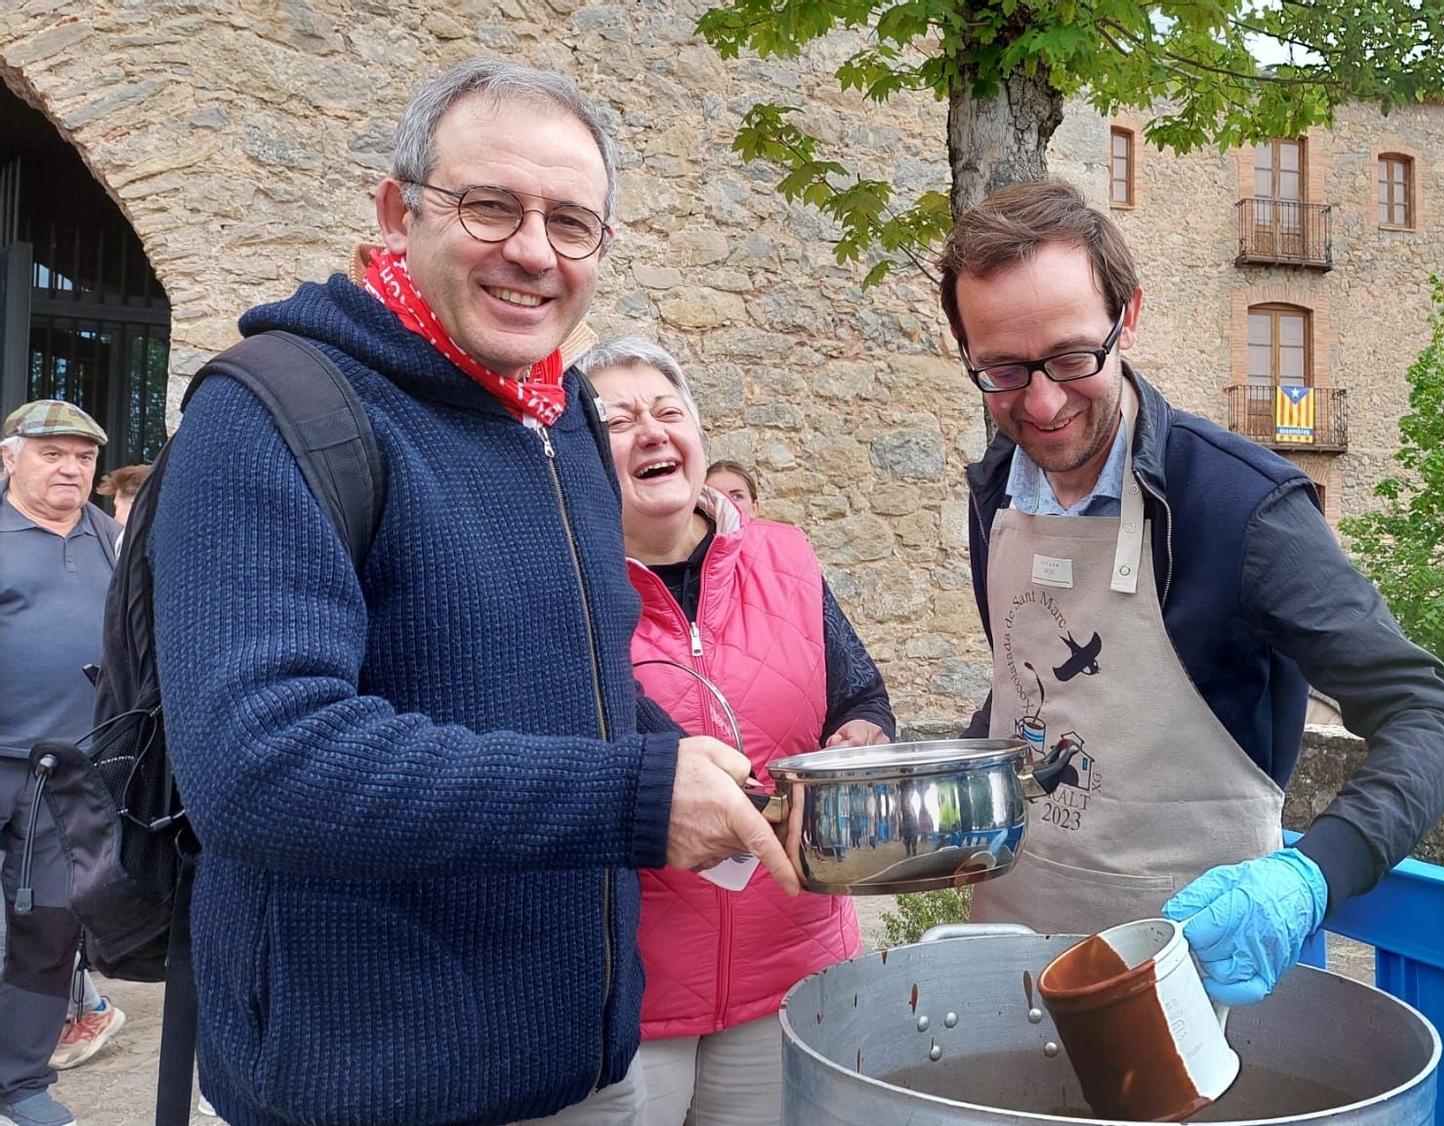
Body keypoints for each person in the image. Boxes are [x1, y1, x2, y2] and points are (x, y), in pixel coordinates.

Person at [146, 61, 793, 1126]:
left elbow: (558, 690)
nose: (534, 251)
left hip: (581, 1074)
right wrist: (631, 798)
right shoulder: (272, 409)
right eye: (491, 206)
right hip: (356, 1089)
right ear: (397, 211)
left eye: (571, 224)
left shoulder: (564, 419)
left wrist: (682, 764)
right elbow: (260, 762)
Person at [942, 180, 1444, 1006]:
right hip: (1012, 964)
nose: (1042, 402)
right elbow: (1036, 685)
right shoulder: (995, 496)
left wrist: (1311, 877)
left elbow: (1433, 719)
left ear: (1130, 317)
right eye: (1005, 370)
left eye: (1071, 358)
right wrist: (948, 785)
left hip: (1201, 986)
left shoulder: (1243, 507)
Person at [580, 337, 896, 1125]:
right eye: (618, 420)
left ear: (697, 435)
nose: (651, 431)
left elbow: (857, 690)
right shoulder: (558, 585)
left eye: (668, 411)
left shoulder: (785, 557)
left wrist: (860, 736)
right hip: (626, 991)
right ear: (577, 451)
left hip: (791, 965)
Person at [0, 401, 126, 1126]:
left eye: (82, 458)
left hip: (70, 774)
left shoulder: (113, 540)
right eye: (53, 454)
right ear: (11, 459)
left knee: (49, 929)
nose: (70, 469)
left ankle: (19, 1083)